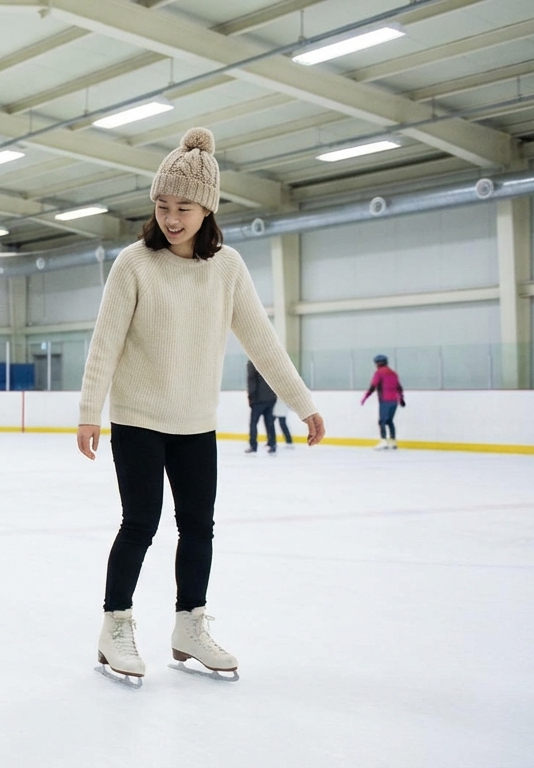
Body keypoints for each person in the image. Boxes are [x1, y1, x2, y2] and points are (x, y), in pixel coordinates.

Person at [76, 128, 326, 683]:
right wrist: (89, 412)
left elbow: (262, 341)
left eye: (184, 207)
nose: (171, 217)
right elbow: (106, 342)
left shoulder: (227, 267)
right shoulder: (134, 263)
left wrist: (303, 404)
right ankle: (115, 626)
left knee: (198, 527)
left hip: (195, 423)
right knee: (139, 522)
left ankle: (189, 625)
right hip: (138, 418)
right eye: (163, 206)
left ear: (207, 208)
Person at [361, 354, 405, 450]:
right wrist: (401, 399)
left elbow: (373, 386)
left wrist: (365, 397)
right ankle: (393, 441)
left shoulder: (379, 373)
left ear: (377, 363)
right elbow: (399, 387)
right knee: (389, 421)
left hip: (385, 400)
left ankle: (383, 441)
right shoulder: (393, 373)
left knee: (382, 421)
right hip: (394, 401)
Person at [245, 360, 277, 454]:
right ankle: (272, 444)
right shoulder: (271, 363)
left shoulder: (253, 362)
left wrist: (250, 396)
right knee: (270, 423)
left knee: (253, 423)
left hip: (258, 399)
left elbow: (251, 379)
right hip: (271, 398)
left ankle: (253, 445)